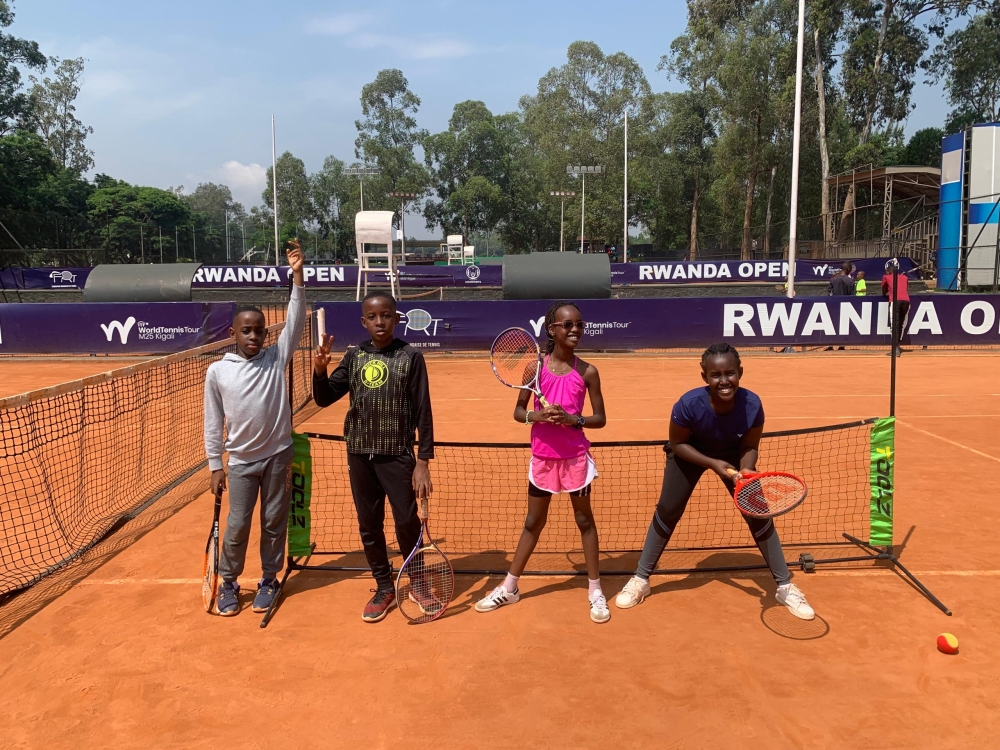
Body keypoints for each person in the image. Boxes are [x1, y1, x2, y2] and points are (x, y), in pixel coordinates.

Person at [615, 343, 815, 621]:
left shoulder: (752, 404)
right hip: (690, 452)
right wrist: (713, 464)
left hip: (733, 454)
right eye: (716, 375)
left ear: (740, 372)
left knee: (758, 513)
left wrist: (745, 469)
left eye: (730, 373)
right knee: (668, 510)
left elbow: (750, 446)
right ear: (704, 376)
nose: (724, 381)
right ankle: (641, 579)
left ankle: (784, 586)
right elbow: (678, 442)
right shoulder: (688, 404)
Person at [474, 301, 610, 622]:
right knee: (533, 523)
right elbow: (519, 412)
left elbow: (600, 419)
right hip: (543, 461)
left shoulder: (588, 372)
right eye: (567, 325)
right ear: (552, 330)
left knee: (584, 521)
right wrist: (538, 415)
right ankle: (510, 587)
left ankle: (595, 590)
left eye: (579, 324)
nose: (575, 329)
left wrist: (573, 419)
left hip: (575, 459)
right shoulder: (533, 369)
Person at [312, 291, 435, 623]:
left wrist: (422, 460)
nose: (380, 321)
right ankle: (384, 586)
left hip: (397, 455)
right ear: (363, 321)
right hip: (360, 456)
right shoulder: (353, 357)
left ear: (396, 318)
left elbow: (423, 410)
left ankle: (418, 581)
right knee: (369, 525)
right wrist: (320, 371)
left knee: (407, 523)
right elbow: (324, 398)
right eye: (372, 316)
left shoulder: (411, 356)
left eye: (386, 315)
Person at [204, 240, 306, 617]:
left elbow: (296, 318)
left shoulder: (276, 357)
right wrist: (215, 463)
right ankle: (229, 582)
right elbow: (213, 420)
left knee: (273, 522)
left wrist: (297, 276)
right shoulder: (217, 371)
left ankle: (268, 578)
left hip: (278, 455)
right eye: (246, 330)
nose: (253, 336)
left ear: (266, 333)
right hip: (242, 462)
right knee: (237, 524)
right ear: (234, 332)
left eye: (259, 331)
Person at [882, 262, 910, 356]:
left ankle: (895, 348)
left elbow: (884, 290)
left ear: (889, 271)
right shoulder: (905, 278)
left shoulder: (886, 277)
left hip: (895, 301)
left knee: (894, 325)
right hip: (906, 301)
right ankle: (897, 346)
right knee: (900, 324)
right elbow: (905, 288)